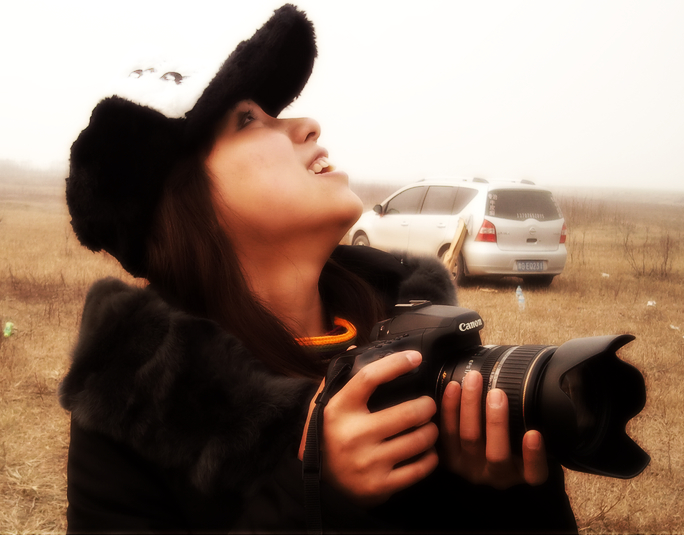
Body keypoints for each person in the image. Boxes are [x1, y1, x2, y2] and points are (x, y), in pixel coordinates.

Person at [59, 5, 577, 533]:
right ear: (186, 200)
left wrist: (504, 494)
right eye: (248, 120)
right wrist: (314, 493)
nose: (307, 125)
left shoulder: (421, 332)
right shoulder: (134, 400)